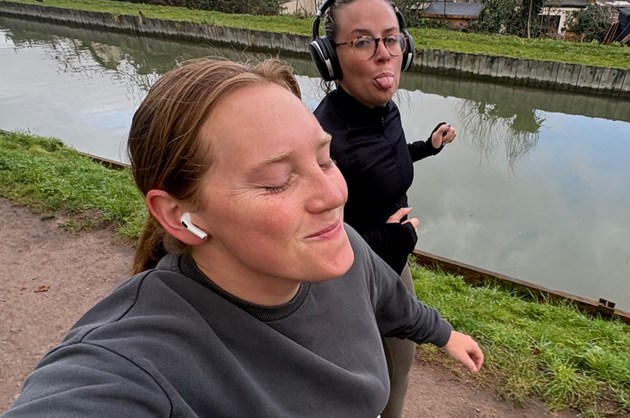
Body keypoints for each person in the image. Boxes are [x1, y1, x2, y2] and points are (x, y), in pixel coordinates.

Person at [3, 58, 482, 417]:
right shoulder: (136, 362)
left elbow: (390, 300)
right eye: (276, 181)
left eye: (324, 159)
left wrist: (446, 334)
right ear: (178, 215)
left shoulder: (342, 247)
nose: (333, 194)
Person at [310, 0, 457, 418]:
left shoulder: (385, 109)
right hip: (350, 282)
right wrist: (386, 242)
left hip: (393, 260)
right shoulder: (323, 139)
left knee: (400, 363)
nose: (384, 54)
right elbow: (311, 245)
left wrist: (427, 147)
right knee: (370, 381)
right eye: (362, 41)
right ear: (329, 58)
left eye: (391, 39)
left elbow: (385, 162)